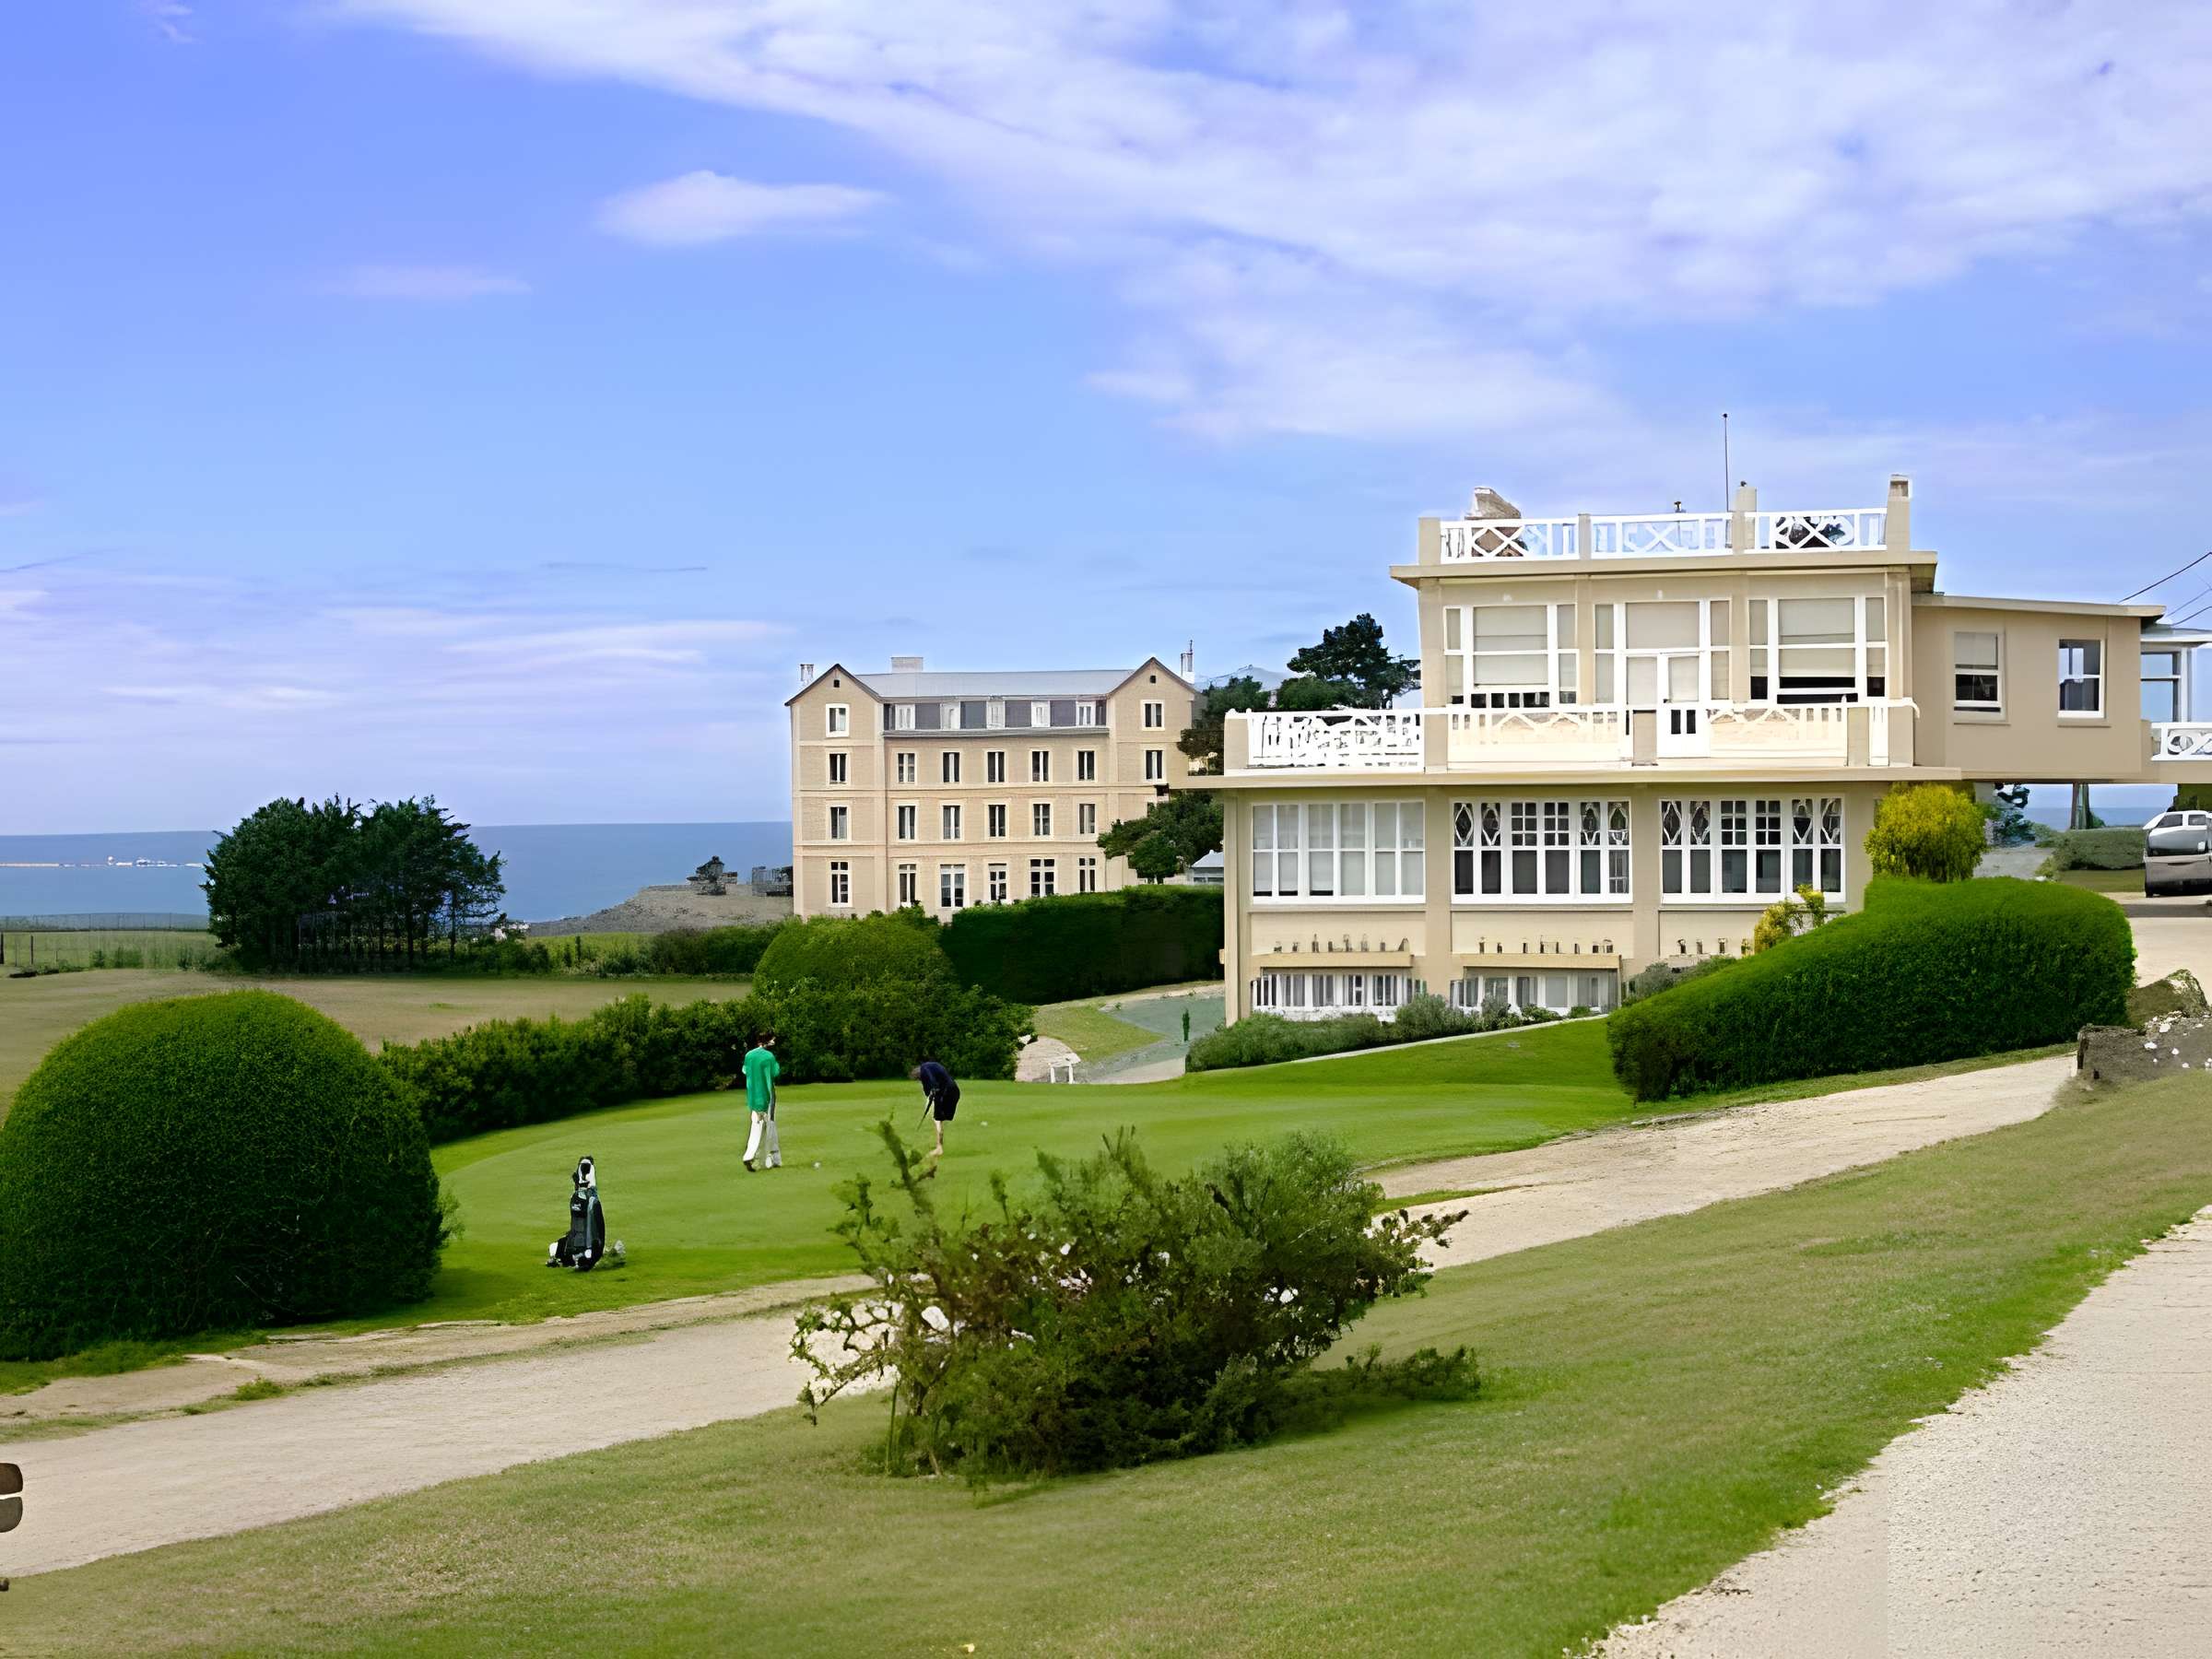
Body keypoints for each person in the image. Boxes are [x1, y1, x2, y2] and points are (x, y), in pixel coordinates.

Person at [742, 1033, 782, 1171]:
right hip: (767, 1096)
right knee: (766, 1125)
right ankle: (754, 1156)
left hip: (753, 1096)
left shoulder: (749, 1056)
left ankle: (776, 1158)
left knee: (759, 1123)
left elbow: (745, 1070)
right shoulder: (769, 1057)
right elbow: (775, 1072)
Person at [910, 1058, 959, 1158]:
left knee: (937, 1120)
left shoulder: (924, 1069)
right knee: (940, 1119)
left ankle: (939, 1148)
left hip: (945, 1092)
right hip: (954, 1090)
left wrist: (933, 1089)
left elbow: (931, 1083)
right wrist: (932, 1092)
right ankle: (939, 1144)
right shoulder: (931, 1066)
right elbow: (929, 1088)